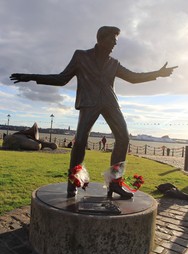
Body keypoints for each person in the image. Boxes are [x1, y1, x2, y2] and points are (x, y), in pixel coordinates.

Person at [10, 26, 177, 198]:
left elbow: (133, 77)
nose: (114, 44)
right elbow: (61, 79)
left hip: (110, 103)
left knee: (124, 138)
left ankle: (115, 183)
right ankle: (73, 182)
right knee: (81, 141)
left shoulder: (114, 63)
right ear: (100, 39)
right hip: (89, 103)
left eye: (116, 41)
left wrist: (157, 73)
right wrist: (31, 76)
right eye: (112, 40)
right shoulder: (81, 56)